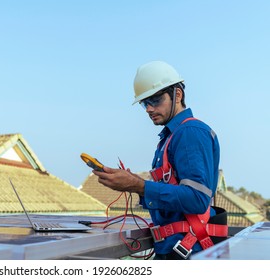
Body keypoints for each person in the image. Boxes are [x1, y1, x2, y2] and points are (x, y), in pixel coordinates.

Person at [93, 61, 227, 260]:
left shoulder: (189, 133)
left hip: (189, 251)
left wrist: (139, 186)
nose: (148, 108)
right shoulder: (170, 137)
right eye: (144, 103)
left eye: (155, 100)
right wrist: (136, 185)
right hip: (175, 250)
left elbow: (197, 199)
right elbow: (173, 196)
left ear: (177, 95)